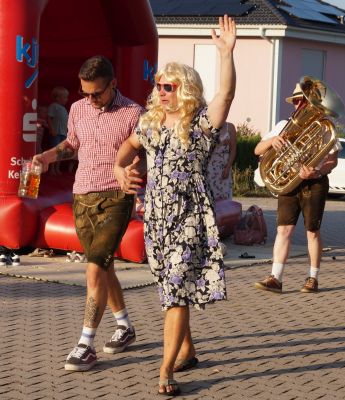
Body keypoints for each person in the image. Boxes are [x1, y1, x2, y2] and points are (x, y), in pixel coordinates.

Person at [114, 16, 236, 397]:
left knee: (177, 290)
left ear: (185, 89)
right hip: (156, 217)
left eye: (168, 86)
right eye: (158, 85)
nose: (161, 91)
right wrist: (120, 171)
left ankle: (166, 369)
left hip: (189, 216)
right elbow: (126, 149)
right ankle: (188, 350)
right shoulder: (149, 123)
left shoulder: (200, 124)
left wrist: (226, 54)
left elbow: (225, 96)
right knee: (169, 287)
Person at [33, 56, 143, 372]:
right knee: (104, 265)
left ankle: (85, 344)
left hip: (116, 197)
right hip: (82, 196)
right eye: (85, 93)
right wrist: (48, 156)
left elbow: (146, 155)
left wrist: (135, 172)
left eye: (97, 93)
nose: (91, 99)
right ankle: (125, 326)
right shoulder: (78, 109)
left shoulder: (133, 113)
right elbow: (72, 144)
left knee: (94, 268)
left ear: (113, 84)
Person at [253, 82, 341, 295]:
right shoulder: (283, 125)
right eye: (297, 101)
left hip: (314, 182)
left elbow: (333, 160)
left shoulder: (325, 126)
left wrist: (317, 172)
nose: (299, 105)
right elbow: (257, 150)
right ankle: (276, 278)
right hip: (289, 180)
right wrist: (272, 141)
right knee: (283, 230)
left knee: (312, 231)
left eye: (303, 101)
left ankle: (313, 277)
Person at [207, 121, 237, 200]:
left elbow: (233, 150)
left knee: (224, 195)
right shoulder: (206, 126)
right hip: (209, 167)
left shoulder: (230, 127)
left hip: (224, 167)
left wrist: (228, 168)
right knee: (209, 195)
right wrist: (220, 144)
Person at [47, 86, 70, 174]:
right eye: (65, 97)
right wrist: (52, 129)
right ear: (57, 98)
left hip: (63, 133)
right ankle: (52, 168)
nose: (66, 99)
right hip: (56, 133)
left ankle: (57, 168)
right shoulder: (54, 106)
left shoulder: (64, 108)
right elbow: (49, 117)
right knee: (55, 151)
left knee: (61, 152)